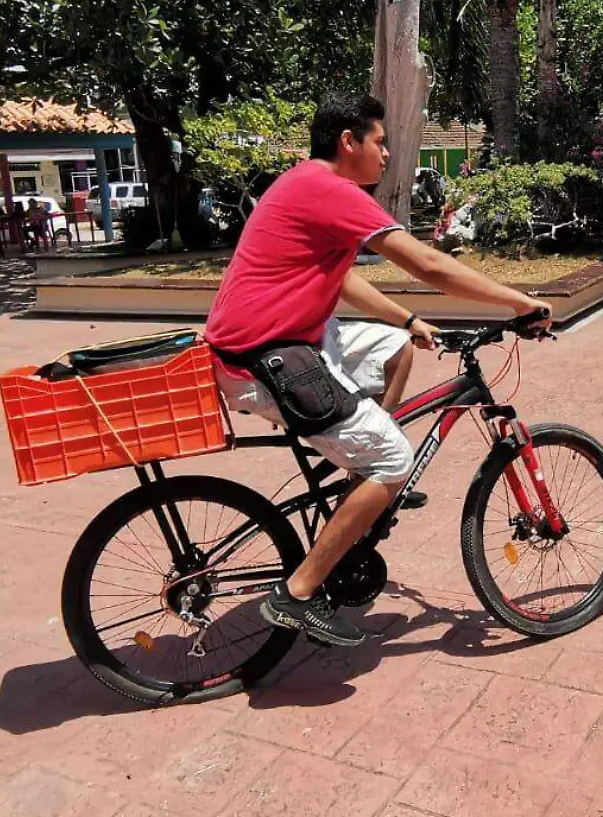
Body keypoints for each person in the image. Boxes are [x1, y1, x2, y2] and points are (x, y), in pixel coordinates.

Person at [205, 93, 551, 649]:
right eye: (380, 141)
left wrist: (407, 318)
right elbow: (430, 263)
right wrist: (520, 302)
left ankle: (358, 484)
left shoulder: (305, 184)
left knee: (395, 348)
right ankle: (296, 594)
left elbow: (339, 280)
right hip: (264, 356)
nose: (388, 153)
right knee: (395, 458)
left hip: (280, 339)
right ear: (349, 142)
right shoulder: (331, 190)